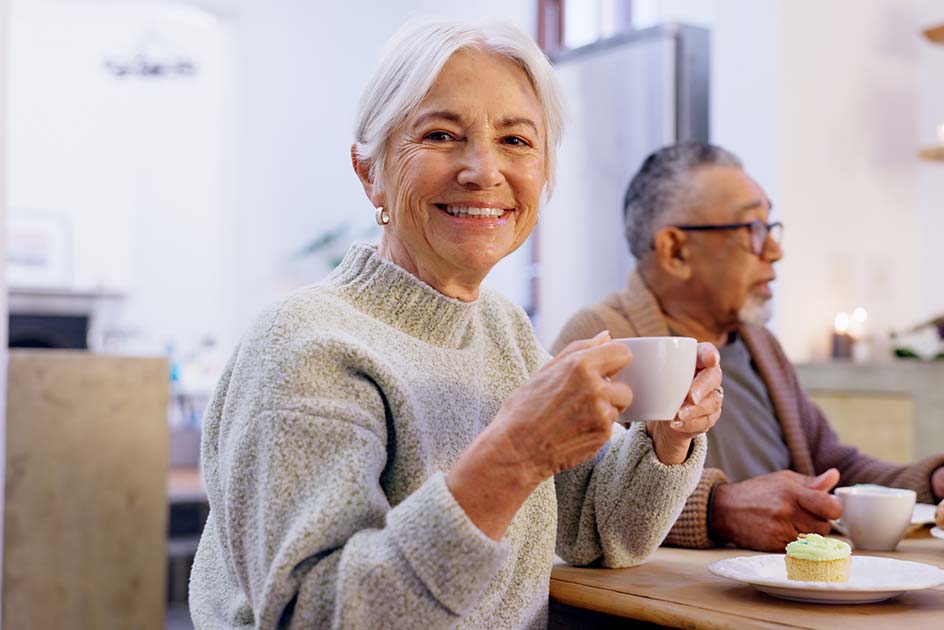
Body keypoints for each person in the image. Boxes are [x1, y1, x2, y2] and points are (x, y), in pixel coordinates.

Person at [188, 21, 724, 629]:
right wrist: (513, 457)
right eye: (442, 135)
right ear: (371, 171)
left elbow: (596, 532)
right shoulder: (307, 344)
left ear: (544, 176)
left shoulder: (502, 327)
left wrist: (666, 440)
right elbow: (314, 615)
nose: (483, 171)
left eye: (516, 141)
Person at [552, 143, 944, 552]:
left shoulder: (759, 344)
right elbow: (573, 500)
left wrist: (933, 483)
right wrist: (719, 508)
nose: (774, 250)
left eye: (770, 226)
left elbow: (833, 467)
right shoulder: (600, 336)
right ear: (675, 251)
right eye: (752, 228)